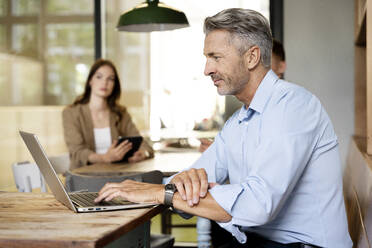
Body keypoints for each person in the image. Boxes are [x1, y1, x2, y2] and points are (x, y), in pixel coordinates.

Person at [94, 8, 352, 248]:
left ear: (252, 57)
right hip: (258, 241)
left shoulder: (294, 106)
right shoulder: (239, 121)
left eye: (215, 57)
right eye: (207, 58)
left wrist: (161, 193)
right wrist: (170, 186)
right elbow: (191, 177)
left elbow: (257, 205)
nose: (207, 69)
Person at [63, 59, 153, 170]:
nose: (104, 83)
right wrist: (105, 158)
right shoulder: (71, 113)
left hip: (116, 174)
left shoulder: (120, 113)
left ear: (114, 85)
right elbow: (77, 152)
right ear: (90, 80)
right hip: (83, 176)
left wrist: (143, 153)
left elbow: (143, 144)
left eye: (110, 79)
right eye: (99, 77)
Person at [199, 39, 287, 153]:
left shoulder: (290, 107)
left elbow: (271, 161)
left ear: (281, 66)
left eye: (266, 61)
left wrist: (223, 156)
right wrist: (218, 154)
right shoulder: (245, 112)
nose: (257, 65)